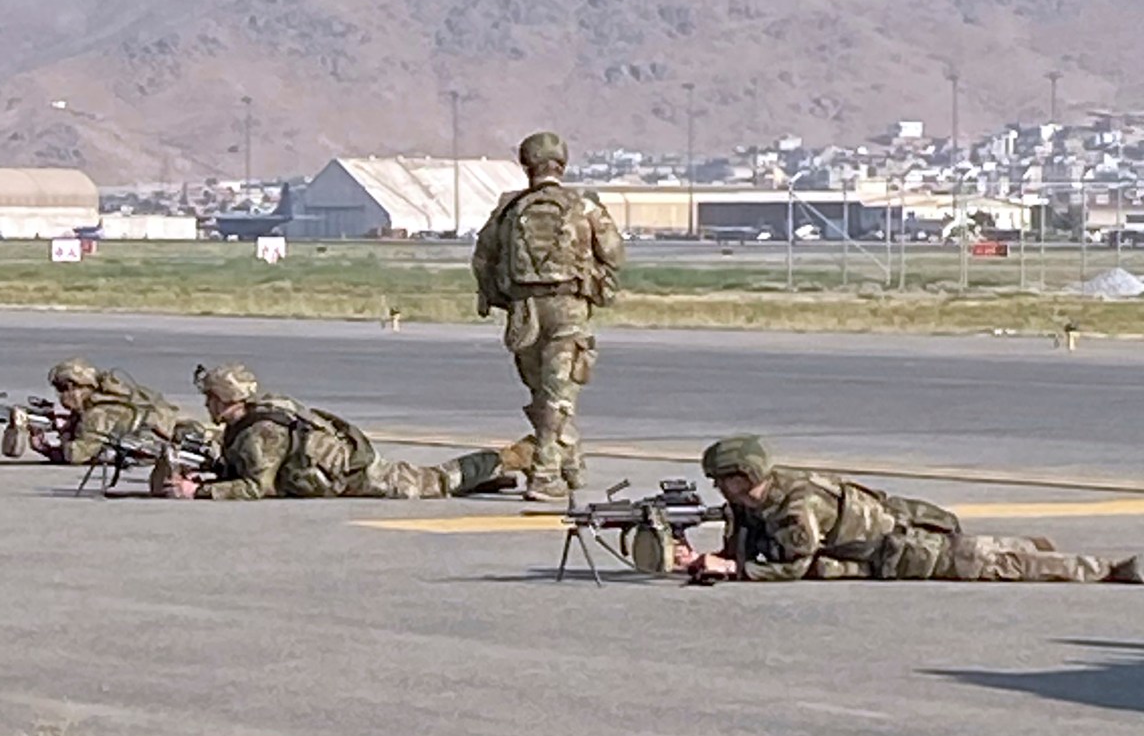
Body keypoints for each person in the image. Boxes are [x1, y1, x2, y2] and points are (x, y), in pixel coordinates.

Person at [676, 435, 1140, 583]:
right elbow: (748, 546)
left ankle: (1115, 569)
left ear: (746, 475)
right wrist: (699, 558)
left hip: (911, 547)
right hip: (884, 546)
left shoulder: (799, 503)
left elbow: (790, 566)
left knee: (1007, 566)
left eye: (724, 478)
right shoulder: (756, 502)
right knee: (1001, 554)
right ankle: (1027, 547)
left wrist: (731, 569)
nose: (719, 487)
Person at [471, 130, 624, 500]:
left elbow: (482, 258)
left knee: (545, 391)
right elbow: (615, 253)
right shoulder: (582, 205)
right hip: (568, 307)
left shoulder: (509, 209)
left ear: (527, 165)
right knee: (559, 393)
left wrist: (496, 297)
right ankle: (545, 471)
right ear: (562, 163)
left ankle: (570, 461)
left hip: (524, 311)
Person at [157, 361, 529, 501]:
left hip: (354, 474)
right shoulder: (249, 421)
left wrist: (199, 492)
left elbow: (258, 486)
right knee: (434, 482)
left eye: (210, 398)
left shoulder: (261, 432)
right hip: (335, 471)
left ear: (226, 399)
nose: (207, 405)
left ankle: (511, 458)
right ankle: (490, 478)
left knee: (435, 482)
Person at [39, 357, 184, 464]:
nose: (62, 396)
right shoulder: (103, 403)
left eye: (64, 389)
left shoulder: (97, 414)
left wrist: (55, 442)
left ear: (79, 388)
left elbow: (76, 455)